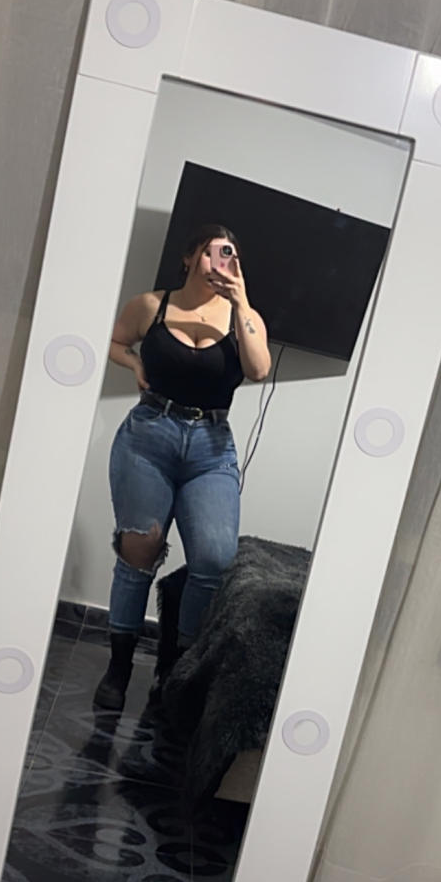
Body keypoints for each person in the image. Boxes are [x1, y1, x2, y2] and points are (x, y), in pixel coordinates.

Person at [94, 223, 271, 710]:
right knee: (139, 553)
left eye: (230, 255)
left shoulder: (244, 317)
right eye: (212, 253)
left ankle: (173, 670)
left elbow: (258, 369)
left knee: (213, 560)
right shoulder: (151, 306)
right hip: (148, 437)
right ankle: (118, 667)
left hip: (211, 448)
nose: (220, 263)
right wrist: (134, 364)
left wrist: (241, 302)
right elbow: (112, 341)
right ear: (190, 256)